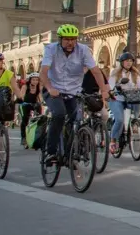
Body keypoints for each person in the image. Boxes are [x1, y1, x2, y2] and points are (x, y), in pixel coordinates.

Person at [40, 25, 108, 166]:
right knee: (59, 114)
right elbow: (44, 71)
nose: (70, 42)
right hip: (53, 90)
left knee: (75, 121)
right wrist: (50, 88)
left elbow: (96, 71)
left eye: (73, 39)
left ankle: (69, 154)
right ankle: (51, 152)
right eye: (66, 39)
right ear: (60, 39)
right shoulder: (51, 49)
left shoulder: (83, 50)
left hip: (73, 91)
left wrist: (104, 90)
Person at [108, 52, 140, 156]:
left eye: (131, 61)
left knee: (137, 102)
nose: (129, 63)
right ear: (122, 62)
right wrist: (115, 89)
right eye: (126, 61)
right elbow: (110, 86)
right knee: (119, 120)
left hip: (130, 98)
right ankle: (113, 141)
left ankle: (134, 122)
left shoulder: (135, 74)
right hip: (117, 98)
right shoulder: (115, 73)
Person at [19, 73, 43, 146]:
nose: (35, 81)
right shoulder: (25, 86)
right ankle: (23, 137)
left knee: (40, 118)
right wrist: (22, 101)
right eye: (33, 80)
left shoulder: (38, 87)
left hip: (34, 104)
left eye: (37, 80)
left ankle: (38, 136)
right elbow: (22, 95)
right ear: (30, 80)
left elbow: (40, 97)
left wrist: (41, 102)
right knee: (25, 119)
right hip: (25, 104)